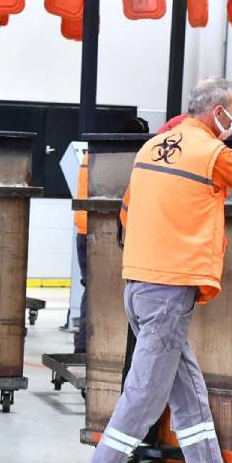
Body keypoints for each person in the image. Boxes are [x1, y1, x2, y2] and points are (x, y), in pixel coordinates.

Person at [63, 78, 232, 463]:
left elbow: (127, 212)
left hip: (140, 285)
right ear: (216, 113)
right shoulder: (210, 152)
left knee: (190, 399)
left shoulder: (153, 147)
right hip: (169, 293)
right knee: (141, 402)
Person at [72, 116, 149, 354]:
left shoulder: (92, 154)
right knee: (115, 290)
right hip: (108, 231)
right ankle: (108, 344)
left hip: (84, 231)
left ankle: (84, 346)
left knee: (92, 287)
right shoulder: (129, 159)